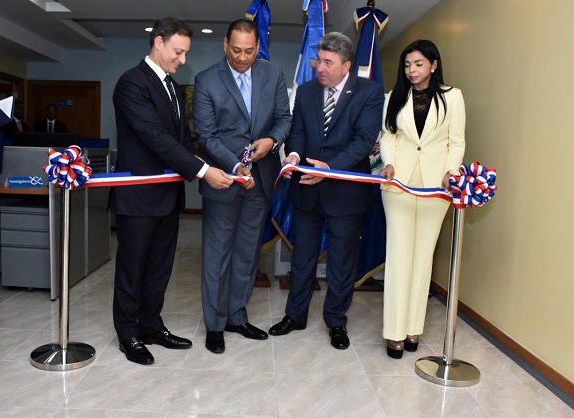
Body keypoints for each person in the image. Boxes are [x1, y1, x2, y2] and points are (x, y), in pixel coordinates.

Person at [109, 16, 233, 365]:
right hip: (137, 197)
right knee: (132, 269)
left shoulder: (175, 88)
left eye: (186, 53)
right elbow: (155, 138)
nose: (182, 59)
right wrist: (204, 171)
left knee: (159, 268)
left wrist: (210, 162)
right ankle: (128, 334)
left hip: (166, 194)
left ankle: (150, 325)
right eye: (178, 52)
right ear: (158, 43)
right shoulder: (131, 83)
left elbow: (180, 141)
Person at [269, 32, 384, 350]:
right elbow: (298, 132)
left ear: (346, 65)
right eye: (318, 60)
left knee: (341, 262)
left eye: (328, 62)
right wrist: (292, 155)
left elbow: (363, 141)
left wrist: (328, 168)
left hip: (345, 192)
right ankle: (295, 316)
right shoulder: (305, 91)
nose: (320, 67)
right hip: (306, 189)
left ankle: (336, 321)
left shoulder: (369, 92)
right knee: (302, 257)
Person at [193, 19, 291, 354]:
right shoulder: (206, 80)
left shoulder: (273, 74)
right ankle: (215, 323)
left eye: (249, 51)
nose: (243, 57)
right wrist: (236, 166)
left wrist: (272, 140)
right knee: (217, 255)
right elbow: (206, 136)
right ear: (225, 45)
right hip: (223, 182)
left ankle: (236, 314)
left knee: (247, 254)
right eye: (236, 50)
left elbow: (284, 118)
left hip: (261, 181)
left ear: (257, 48)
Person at [379, 39, 466, 359]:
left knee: (422, 259)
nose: (412, 71)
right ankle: (394, 334)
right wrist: (388, 162)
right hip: (398, 185)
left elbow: (457, 142)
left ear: (433, 64)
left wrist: (450, 171)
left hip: (436, 188)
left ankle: (413, 330)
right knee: (399, 256)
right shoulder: (393, 97)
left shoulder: (453, 97)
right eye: (407, 65)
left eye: (418, 64)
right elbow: (388, 135)